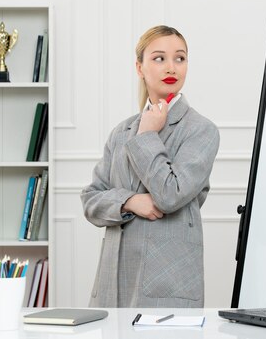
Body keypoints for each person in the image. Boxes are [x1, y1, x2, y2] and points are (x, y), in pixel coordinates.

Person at [81, 25, 220, 308]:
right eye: (159, 58)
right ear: (140, 67)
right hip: (113, 287)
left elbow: (171, 194)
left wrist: (147, 136)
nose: (171, 67)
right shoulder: (122, 131)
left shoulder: (201, 131)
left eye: (180, 58)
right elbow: (91, 199)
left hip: (166, 288)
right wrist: (130, 202)